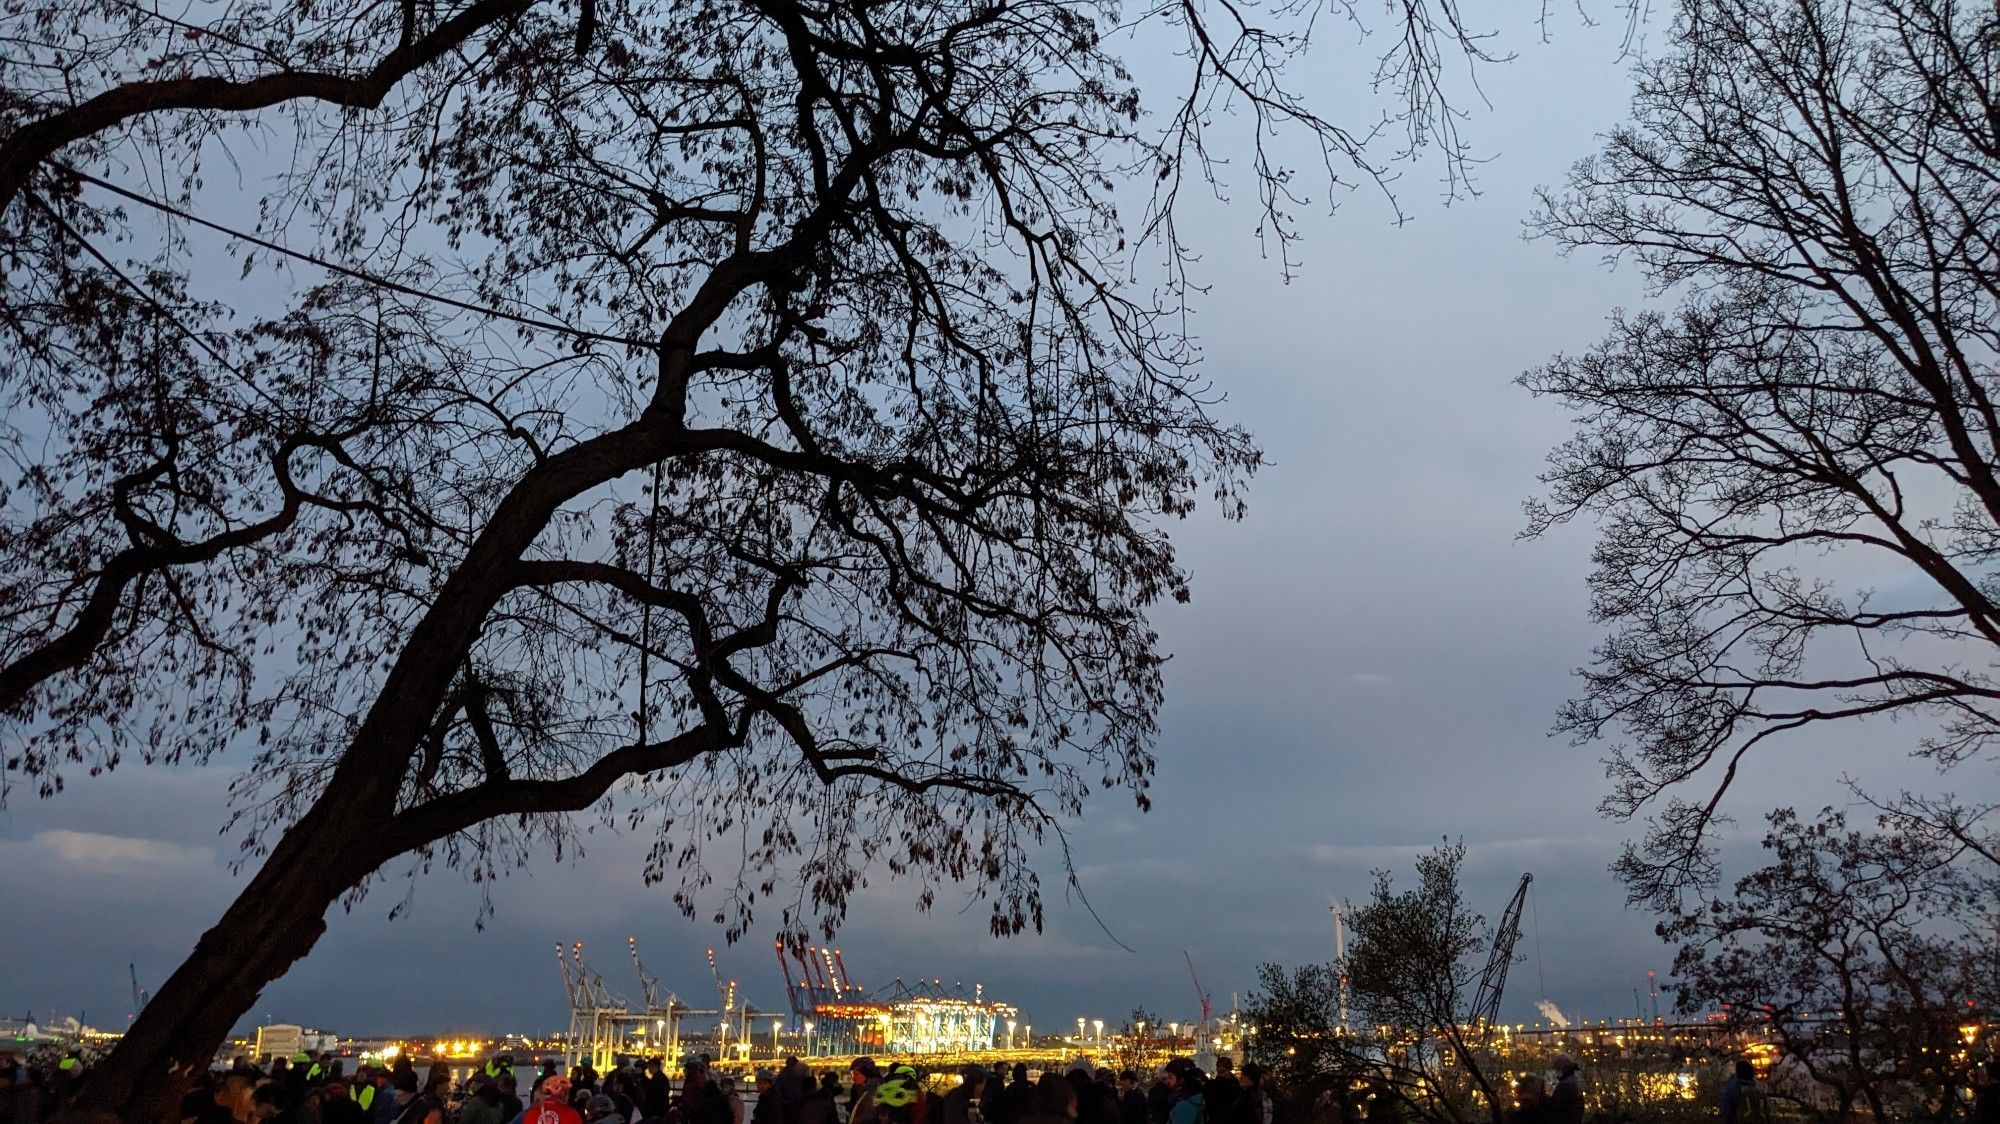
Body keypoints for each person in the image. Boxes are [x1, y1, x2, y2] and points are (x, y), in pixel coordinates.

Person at [1547, 1055, 1583, 1124]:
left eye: (1556, 1069)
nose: (1555, 1072)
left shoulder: (1565, 1085)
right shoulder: (1575, 1082)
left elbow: (1556, 1108)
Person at [849, 1059, 885, 1124]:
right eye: (852, 1075)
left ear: (868, 1073)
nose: (853, 1078)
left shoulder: (877, 1090)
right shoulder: (858, 1088)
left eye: (856, 1074)